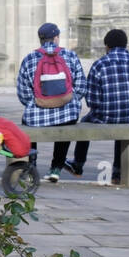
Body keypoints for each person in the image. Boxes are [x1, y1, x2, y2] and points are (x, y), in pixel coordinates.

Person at [63, 28, 129, 185]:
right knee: (124, 123)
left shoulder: (99, 65)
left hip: (105, 116)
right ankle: (118, 172)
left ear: (107, 46)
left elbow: (92, 101)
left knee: (86, 121)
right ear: (126, 45)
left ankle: (78, 164)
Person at [16, 23, 86, 182]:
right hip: (67, 113)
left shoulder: (29, 59)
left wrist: (35, 104)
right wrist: (69, 101)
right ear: (56, 38)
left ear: (40, 39)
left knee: (26, 121)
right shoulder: (70, 55)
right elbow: (81, 87)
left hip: (37, 117)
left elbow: (23, 94)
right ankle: (56, 167)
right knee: (67, 120)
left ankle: (30, 165)